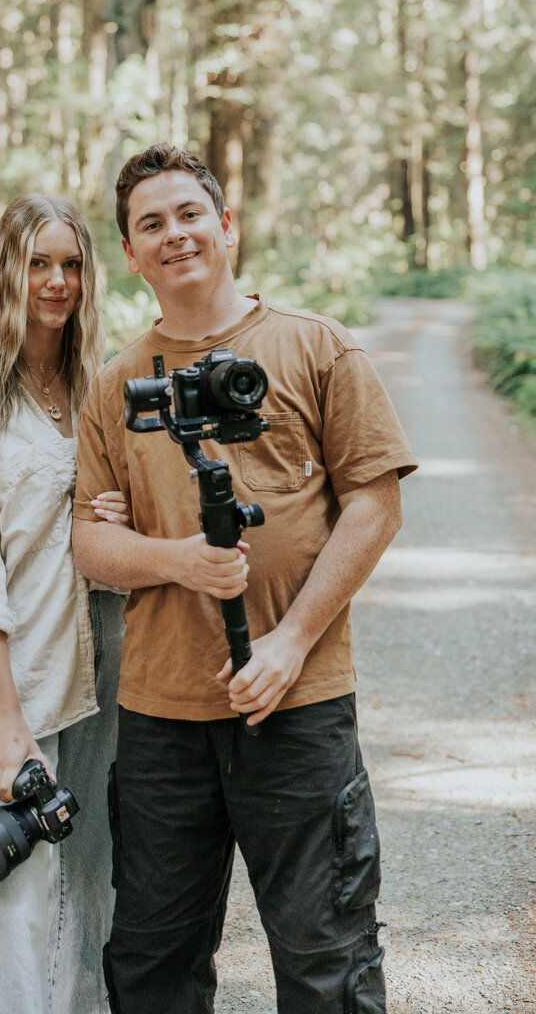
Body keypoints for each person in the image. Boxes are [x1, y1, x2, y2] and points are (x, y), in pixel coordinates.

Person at [71, 144, 418, 1014]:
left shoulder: (315, 346)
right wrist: (174, 559)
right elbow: (85, 538)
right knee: (153, 959)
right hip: (160, 721)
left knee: (326, 953)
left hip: (296, 707)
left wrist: (291, 642)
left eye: (189, 213)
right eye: (151, 223)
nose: (174, 234)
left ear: (226, 225)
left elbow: (374, 504)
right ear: (131, 253)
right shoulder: (117, 384)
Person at [0, 194, 127, 1014]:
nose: (57, 281)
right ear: (5, 271)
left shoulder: (94, 384)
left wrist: (114, 511)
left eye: (71, 263)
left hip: (103, 663)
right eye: (38, 262)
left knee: (93, 886)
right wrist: (4, 723)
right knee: (19, 901)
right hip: (12, 677)